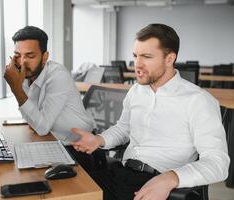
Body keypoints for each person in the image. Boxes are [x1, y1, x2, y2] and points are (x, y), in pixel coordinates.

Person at [71, 23, 230, 200]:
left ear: (169, 59)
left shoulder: (199, 100)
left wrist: (171, 178)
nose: (137, 64)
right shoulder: (136, 91)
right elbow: (124, 129)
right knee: (69, 190)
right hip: (121, 174)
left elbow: (218, 164)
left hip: (160, 184)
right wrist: (99, 139)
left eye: (146, 56)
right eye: (135, 56)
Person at [4, 26, 94, 146]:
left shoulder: (58, 76)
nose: (22, 62)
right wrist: (18, 85)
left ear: (45, 57)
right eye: (18, 55)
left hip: (79, 148)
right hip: (50, 141)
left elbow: (42, 128)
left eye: (30, 56)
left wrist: (16, 89)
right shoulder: (25, 77)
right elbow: (32, 121)